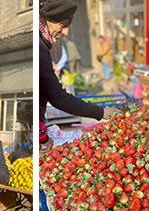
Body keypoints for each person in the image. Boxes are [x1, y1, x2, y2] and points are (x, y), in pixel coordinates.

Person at [40, 0, 118, 150]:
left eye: (67, 26)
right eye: (62, 26)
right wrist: (101, 112)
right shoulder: (39, 47)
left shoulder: (43, 43)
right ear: (45, 19)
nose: (66, 32)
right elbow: (58, 97)